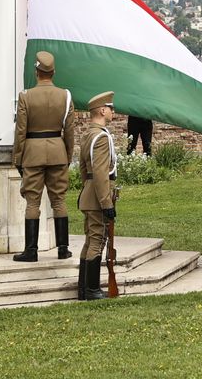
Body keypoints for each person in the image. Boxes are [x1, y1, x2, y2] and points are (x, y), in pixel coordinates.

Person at [12, 50, 75, 262]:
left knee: (32, 202)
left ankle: (31, 251)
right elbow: (70, 130)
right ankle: (63, 248)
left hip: (32, 152)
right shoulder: (65, 96)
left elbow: (20, 131)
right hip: (57, 151)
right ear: (53, 72)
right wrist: (66, 156)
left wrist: (18, 158)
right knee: (59, 200)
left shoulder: (26, 96)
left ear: (36, 71)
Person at [77, 91, 118, 301]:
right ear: (102, 110)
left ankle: (83, 289)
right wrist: (106, 202)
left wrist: (88, 188)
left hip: (89, 192)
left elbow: (84, 169)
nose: (113, 111)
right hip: (98, 195)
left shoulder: (88, 134)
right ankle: (92, 289)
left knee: (90, 240)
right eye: (110, 108)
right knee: (97, 240)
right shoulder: (101, 137)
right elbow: (101, 172)